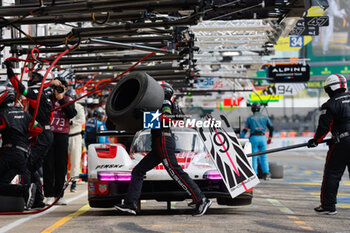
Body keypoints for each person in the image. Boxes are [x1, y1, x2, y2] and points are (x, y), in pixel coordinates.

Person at [115, 82, 211, 217]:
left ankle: (201, 200)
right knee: (138, 171)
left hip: (163, 140)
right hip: (160, 142)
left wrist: (144, 115)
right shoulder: (170, 103)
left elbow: (166, 119)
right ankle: (130, 205)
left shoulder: (165, 101)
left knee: (175, 172)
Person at [5, 60, 54, 209]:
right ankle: (37, 199)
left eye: (36, 78)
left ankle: (28, 197)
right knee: (31, 168)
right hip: (43, 134)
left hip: (42, 135)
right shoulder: (43, 95)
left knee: (26, 166)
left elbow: (19, 87)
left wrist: (9, 70)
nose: (32, 79)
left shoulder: (37, 95)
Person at [307, 74, 350, 215]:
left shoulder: (330, 104)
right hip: (343, 138)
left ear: (331, 88)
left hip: (342, 143)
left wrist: (315, 140)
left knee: (332, 174)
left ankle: (328, 206)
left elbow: (324, 127)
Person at [0, 88, 43, 209]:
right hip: (23, 155)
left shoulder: (2, 114)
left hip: (9, 154)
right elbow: (38, 129)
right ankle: (26, 190)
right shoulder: (25, 114)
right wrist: (25, 136)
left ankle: (27, 191)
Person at [44, 78, 77, 205]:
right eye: (57, 87)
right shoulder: (48, 98)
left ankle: (59, 195)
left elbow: (71, 113)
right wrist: (50, 86)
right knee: (48, 165)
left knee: (61, 166)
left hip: (62, 135)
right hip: (49, 134)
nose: (59, 89)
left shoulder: (68, 100)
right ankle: (49, 194)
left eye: (62, 87)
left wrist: (61, 98)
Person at [240, 103, 274, 180]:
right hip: (262, 137)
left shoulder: (250, 118)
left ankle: (255, 174)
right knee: (264, 156)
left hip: (254, 138)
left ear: (252, 109)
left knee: (254, 157)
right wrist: (270, 138)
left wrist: (241, 138)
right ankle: (266, 173)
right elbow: (271, 128)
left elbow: (245, 130)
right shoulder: (265, 117)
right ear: (259, 109)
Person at [66, 89, 85, 192]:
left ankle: (73, 183)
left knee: (75, 161)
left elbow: (81, 119)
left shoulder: (78, 107)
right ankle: (62, 182)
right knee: (62, 160)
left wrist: (71, 122)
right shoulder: (63, 106)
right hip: (64, 135)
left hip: (76, 136)